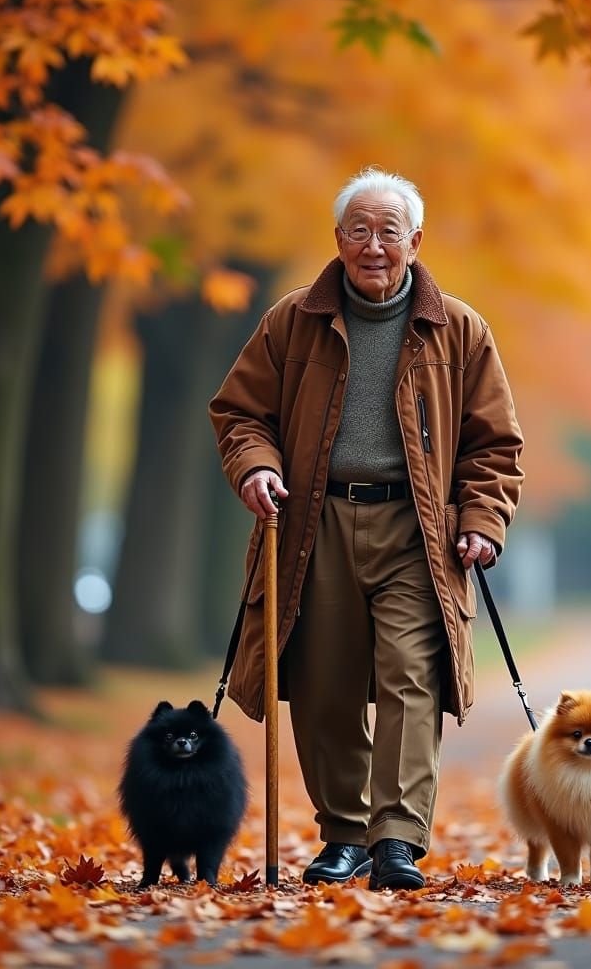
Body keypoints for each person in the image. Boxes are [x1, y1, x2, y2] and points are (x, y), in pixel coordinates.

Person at [209, 167, 524, 890]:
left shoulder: (461, 329)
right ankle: (344, 834)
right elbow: (240, 413)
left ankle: (397, 840)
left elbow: (495, 444)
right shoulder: (293, 321)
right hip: (313, 523)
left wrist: (481, 521)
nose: (373, 246)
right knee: (324, 683)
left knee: (411, 677)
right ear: (338, 240)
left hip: (418, 531)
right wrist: (255, 468)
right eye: (360, 230)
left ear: (415, 241)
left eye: (389, 232)